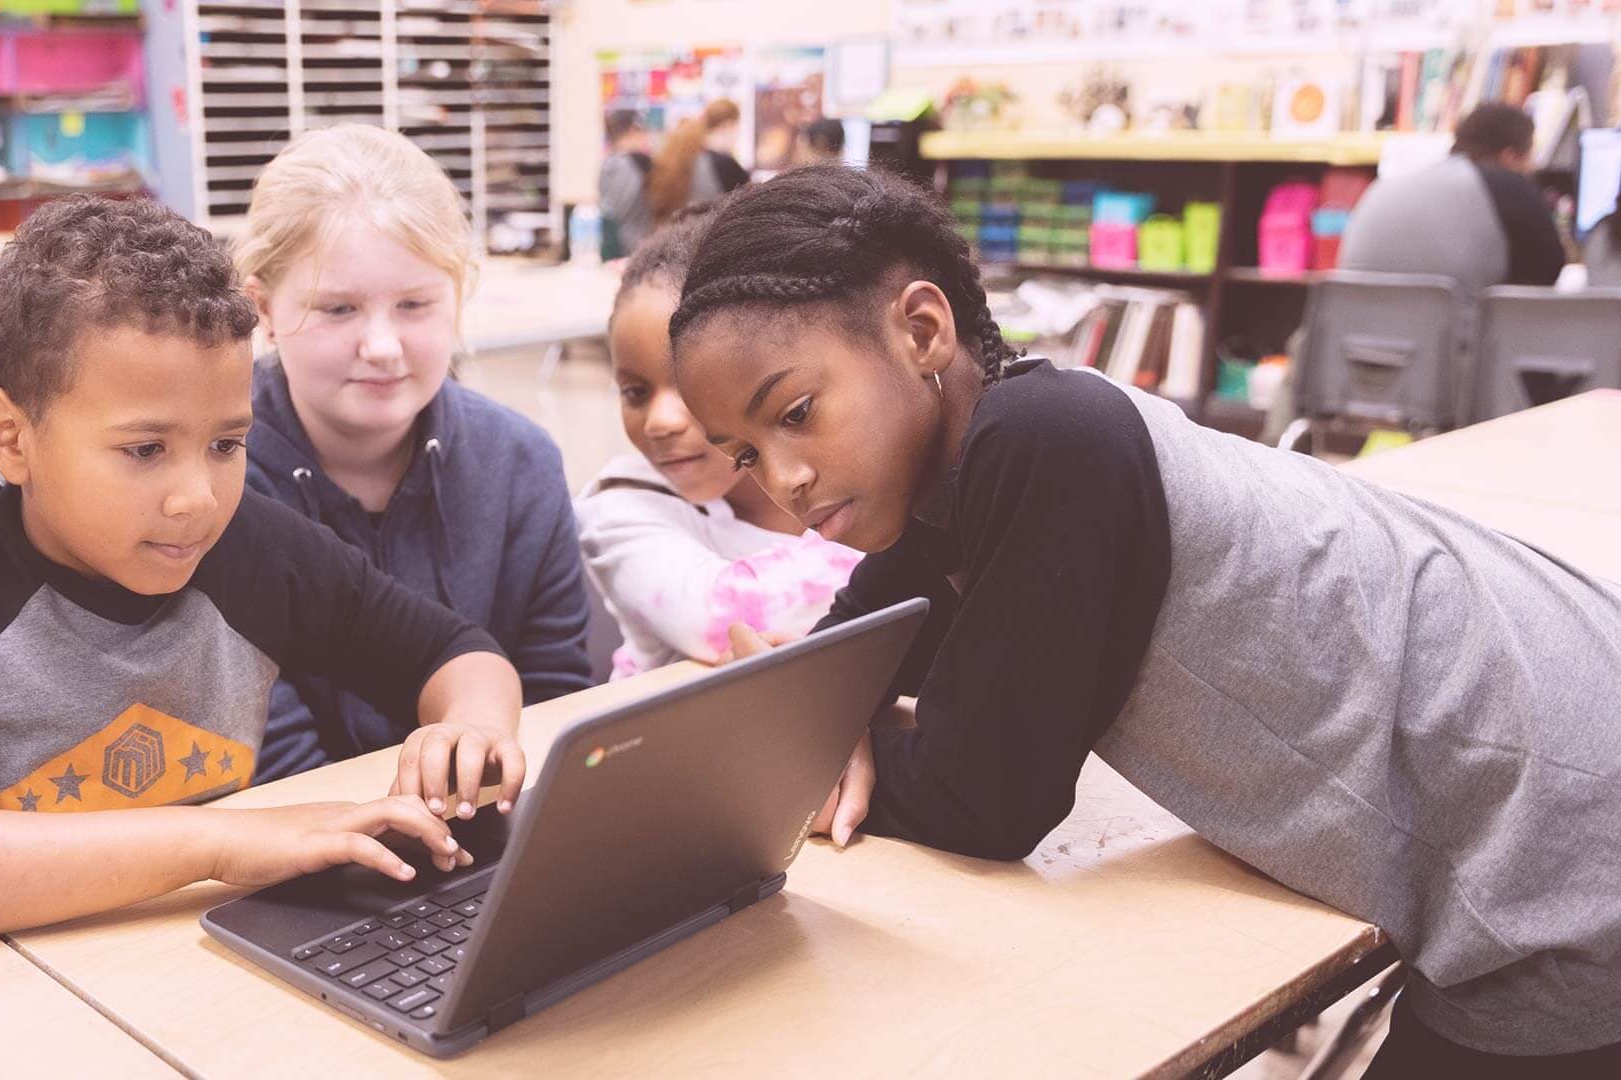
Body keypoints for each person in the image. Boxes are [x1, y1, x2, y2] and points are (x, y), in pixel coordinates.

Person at [668, 165, 1621, 1076]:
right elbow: (848, 657)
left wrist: (817, 749)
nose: (784, 479)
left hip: (1561, 874)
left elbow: (984, 800)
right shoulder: (975, 455)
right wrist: (821, 719)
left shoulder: (1044, 446)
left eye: (796, 411)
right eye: (744, 455)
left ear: (922, 330)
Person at [0, 196, 526, 946]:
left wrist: (469, 727)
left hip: (178, 961)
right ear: (11, 437)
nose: (197, 499)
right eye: (144, 451)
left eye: (227, 445)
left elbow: (452, 650)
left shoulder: (244, 546)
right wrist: (221, 843)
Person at [236, 124, 589, 785]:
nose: (383, 345)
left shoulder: (520, 465)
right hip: (299, 840)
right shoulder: (212, 482)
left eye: (415, 305)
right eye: (338, 309)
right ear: (264, 310)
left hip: (488, 822)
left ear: (458, 295)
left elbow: (555, 702)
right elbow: (264, 751)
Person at [575, 206, 861, 678]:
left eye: (688, 391)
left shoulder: (833, 477)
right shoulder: (619, 503)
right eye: (635, 393)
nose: (660, 422)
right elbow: (722, 619)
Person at [1340, 103, 1566, 291]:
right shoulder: (1507, 183)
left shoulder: (1385, 186)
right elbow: (1547, 273)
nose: (1532, 168)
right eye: (1529, 159)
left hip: (1354, 338)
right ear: (1509, 157)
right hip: (1449, 338)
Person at [648, 100, 748, 223]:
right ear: (728, 125)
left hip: (676, 235)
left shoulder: (683, 156)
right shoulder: (726, 164)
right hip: (708, 237)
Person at [597, 108, 654, 259]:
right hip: (635, 250)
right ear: (633, 131)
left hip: (615, 249)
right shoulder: (636, 163)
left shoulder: (608, 164)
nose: (645, 137)